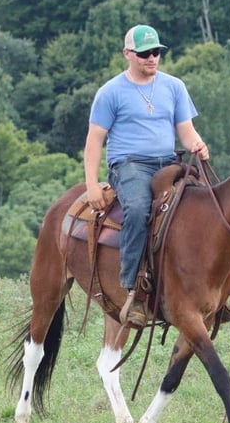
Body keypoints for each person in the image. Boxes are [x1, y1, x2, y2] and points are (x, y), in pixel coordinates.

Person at [84, 24, 209, 328]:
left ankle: (212, 290)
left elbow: (185, 131)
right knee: (139, 209)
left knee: (208, 205)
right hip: (129, 165)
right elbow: (94, 141)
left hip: (167, 162)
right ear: (128, 54)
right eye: (144, 54)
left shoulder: (174, 86)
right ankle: (134, 292)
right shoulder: (110, 92)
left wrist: (197, 144)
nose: (152, 58)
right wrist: (91, 185)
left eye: (156, 52)